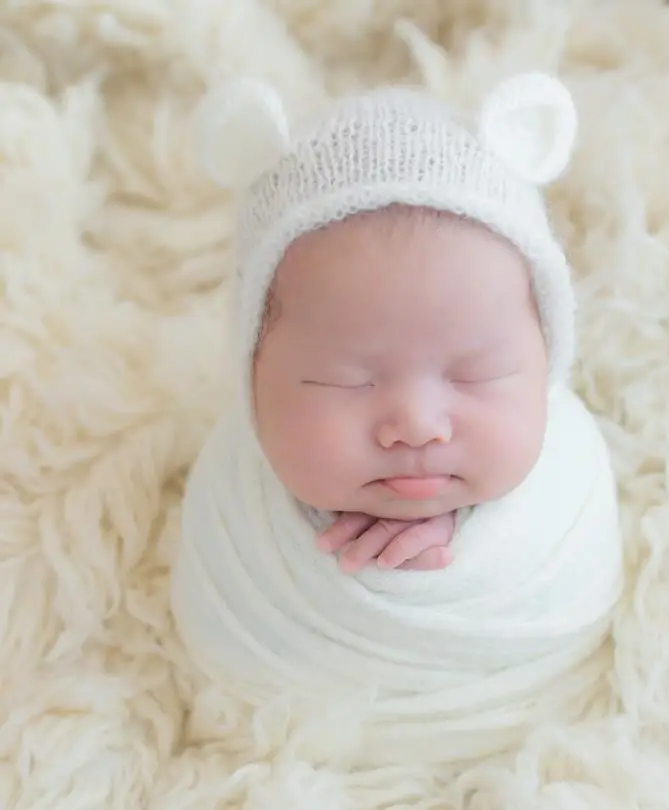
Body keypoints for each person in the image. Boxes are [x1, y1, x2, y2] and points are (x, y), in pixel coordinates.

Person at [170, 72, 624, 766]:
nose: (416, 425)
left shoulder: (570, 490)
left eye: (474, 374)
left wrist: (472, 545)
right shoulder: (235, 512)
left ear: (545, 360)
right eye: (346, 381)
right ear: (254, 376)